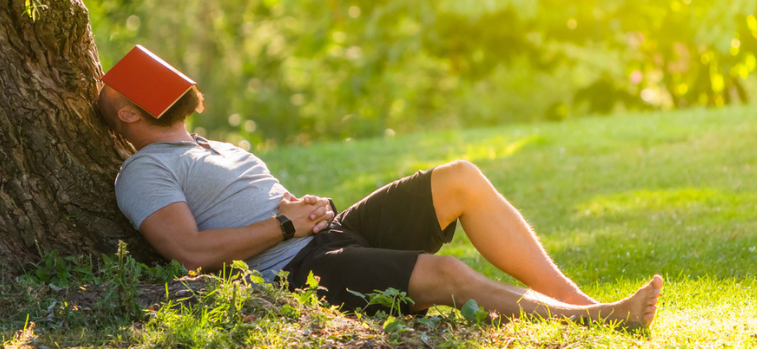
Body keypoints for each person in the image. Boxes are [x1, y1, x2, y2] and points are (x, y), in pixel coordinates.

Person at [98, 83, 662, 328]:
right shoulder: (144, 170)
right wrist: (282, 223)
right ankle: (596, 318)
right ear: (127, 115)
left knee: (459, 178)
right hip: (298, 270)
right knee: (445, 274)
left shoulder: (207, 144)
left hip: (328, 232)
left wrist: (302, 212)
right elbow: (189, 251)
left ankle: (574, 297)